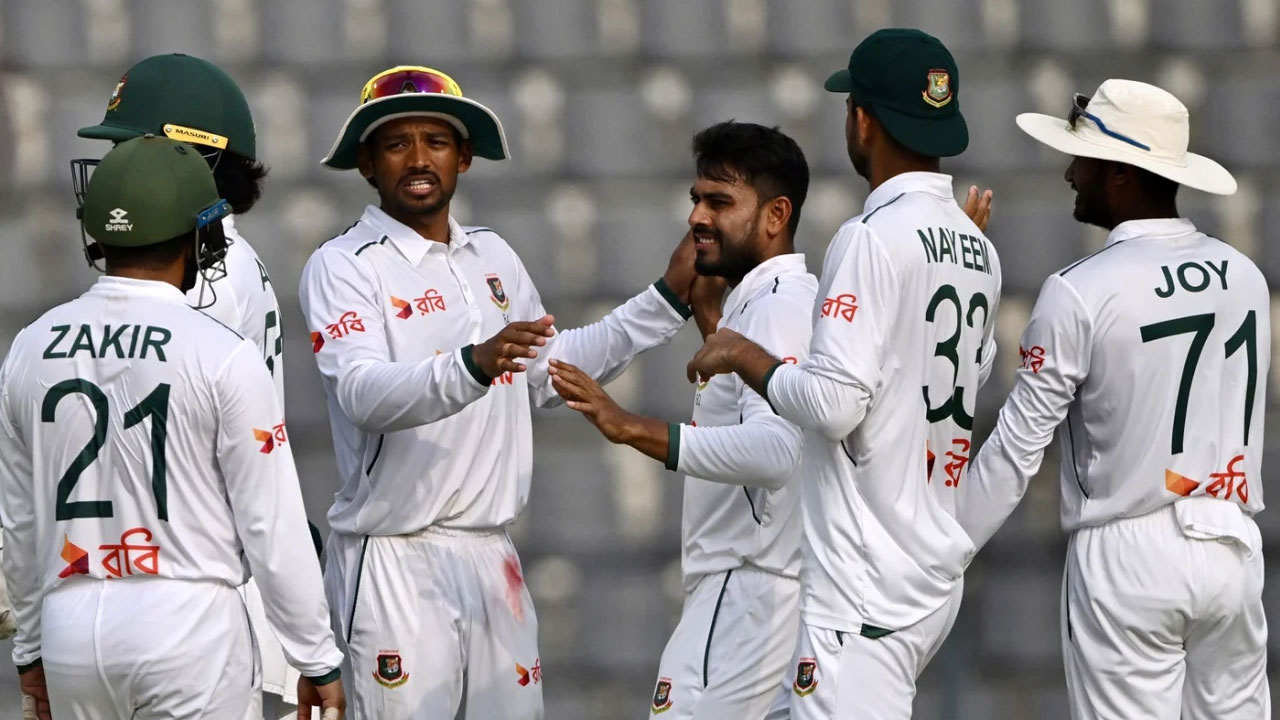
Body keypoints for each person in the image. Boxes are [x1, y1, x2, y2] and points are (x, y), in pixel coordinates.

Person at [300, 65, 698, 719]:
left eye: (436, 141)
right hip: (395, 555)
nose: (419, 158)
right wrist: (474, 365)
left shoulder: (493, 256)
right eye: (397, 143)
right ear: (367, 163)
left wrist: (664, 302)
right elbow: (363, 395)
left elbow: (549, 370)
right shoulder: (343, 264)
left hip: (492, 555)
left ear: (464, 157)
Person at [687, 29, 1003, 719]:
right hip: (928, 571)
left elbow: (834, 405)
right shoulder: (976, 247)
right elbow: (973, 371)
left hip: (864, 581)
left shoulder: (869, 235)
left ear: (863, 120)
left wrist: (744, 355)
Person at [0, 136, 345, 720]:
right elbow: (270, 522)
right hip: (189, 626)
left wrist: (30, 649)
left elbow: (20, 519)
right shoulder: (222, 353)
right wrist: (316, 658)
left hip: (71, 629)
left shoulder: (30, 347)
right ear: (197, 236)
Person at [961, 79, 1270, 720]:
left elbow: (1017, 450)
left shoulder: (1079, 289)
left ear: (1123, 173)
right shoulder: (1245, 276)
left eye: (1085, 160)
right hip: (1231, 543)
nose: (1070, 174)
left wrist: (942, 546)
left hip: (1128, 550)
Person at [550, 121, 817, 718]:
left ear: (775, 215)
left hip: (743, 591)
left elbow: (777, 451)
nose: (697, 216)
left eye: (720, 202)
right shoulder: (773, 300)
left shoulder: (777, 305)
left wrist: (629, 426)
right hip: (769, 596)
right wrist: (708, 318)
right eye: (696, 199)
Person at [75, 53, 310, 720]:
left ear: (196, 158)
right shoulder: (217, 260)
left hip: (179, 589)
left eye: (131, 151)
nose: (115, 171)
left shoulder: (202, 277)